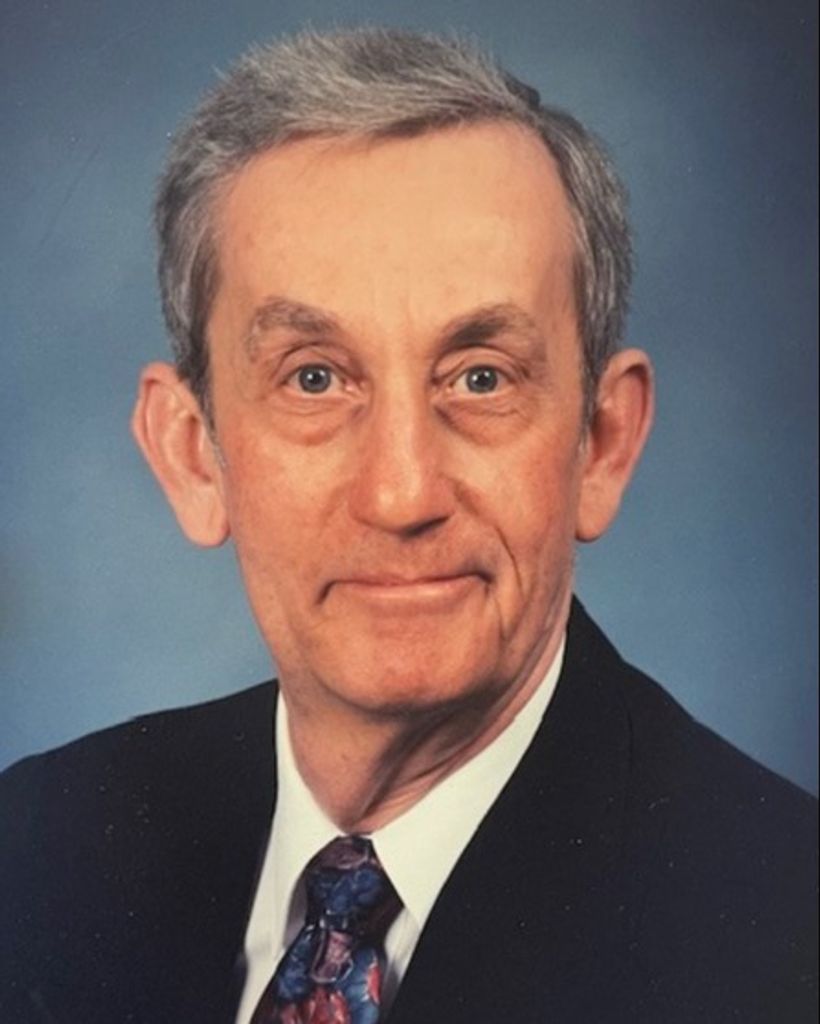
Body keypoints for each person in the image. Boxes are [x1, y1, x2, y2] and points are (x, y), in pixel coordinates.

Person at [1, 27, 815, 1024]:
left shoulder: (783, 938)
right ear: (192, 454)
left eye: (480, 378)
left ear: (601, 444)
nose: (402, 494)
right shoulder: (37, 852)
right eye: (314, 378)